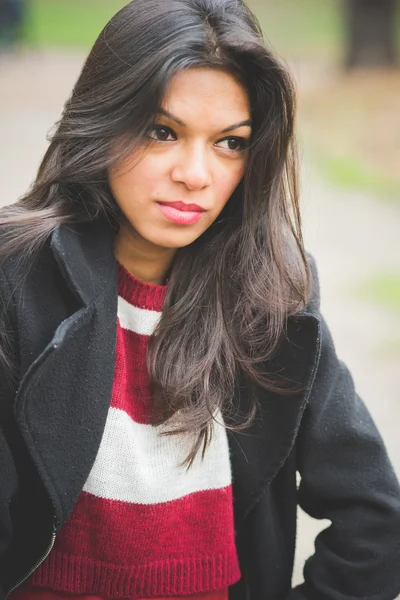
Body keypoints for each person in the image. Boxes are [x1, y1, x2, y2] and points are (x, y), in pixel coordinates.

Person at [0, 0, 399, 599]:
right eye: (164, 132)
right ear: (103, 122)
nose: (196, 174)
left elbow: (376, 523)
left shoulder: (272, 297)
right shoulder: (16, 277)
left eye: (230, 143)